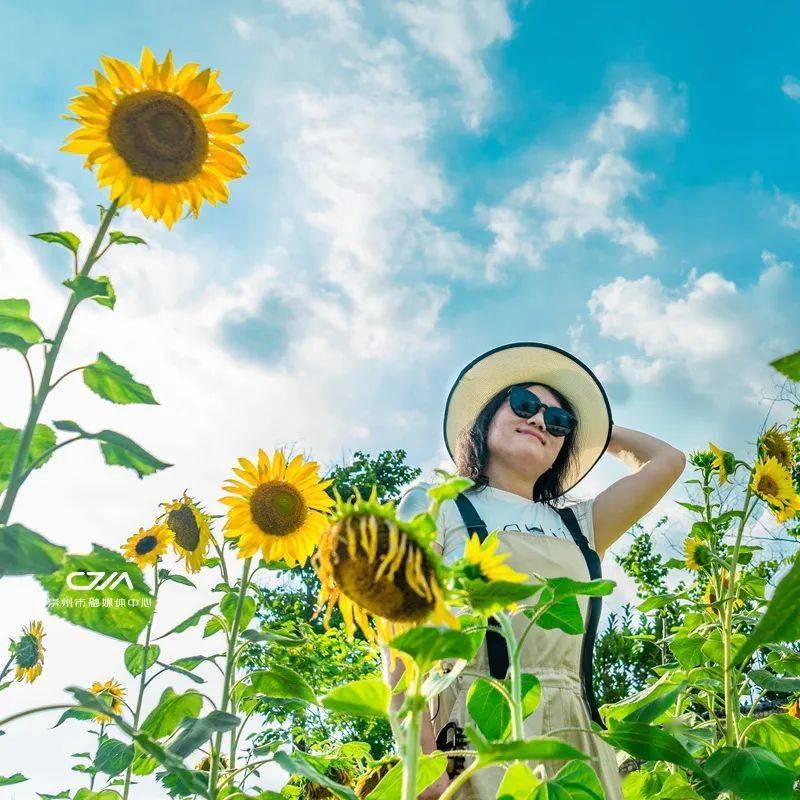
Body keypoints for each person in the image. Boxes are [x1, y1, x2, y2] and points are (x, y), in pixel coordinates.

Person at [387, 342, 686, 800]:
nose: (539, 420)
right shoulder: (436, 502)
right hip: (472, 727)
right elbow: (400, 633)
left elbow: (667, 461)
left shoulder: (581, 524)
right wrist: (426, 759)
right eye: (525, 404)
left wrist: (597, 430)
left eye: (558, 421)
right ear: (486, 418)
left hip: (575, 728)